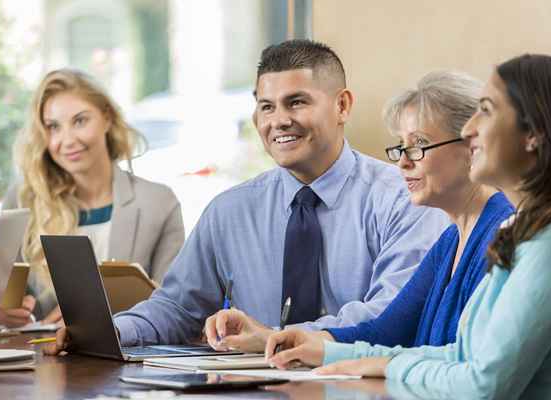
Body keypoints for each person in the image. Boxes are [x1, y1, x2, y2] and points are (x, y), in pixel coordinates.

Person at [45, 39, 448, 354]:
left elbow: (392, 314)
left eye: (297, 102)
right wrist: (112, 331)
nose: (278, 121)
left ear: (342, 105)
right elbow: (177, 307)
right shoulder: (230, 211)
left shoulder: (404, 199)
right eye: (266, 107)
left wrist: (276, 336)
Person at [269, 54, 551, 399]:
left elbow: (483, 384)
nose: (470, 130)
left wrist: (389, 365)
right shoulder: (526, 230)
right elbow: (460, 356)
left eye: (487, 109)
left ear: (534, 135)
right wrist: (352, 357)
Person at [212, 71, 513, 355]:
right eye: (401, 147)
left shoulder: (504, 236)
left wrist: (386, 366)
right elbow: (386, 330)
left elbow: (466, 366)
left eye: (419, 144)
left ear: (473, 146)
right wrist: (271, 338)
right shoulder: (450, 240)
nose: (403, 163)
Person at [0, 69, 185, 327]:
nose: (67, 140)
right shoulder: (23, 200)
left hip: (126, 359)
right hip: (40, 357)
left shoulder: (159, 203)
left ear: (106, 118)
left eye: (80, 121)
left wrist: (100, 318)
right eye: (53, 127)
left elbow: (176, 310)